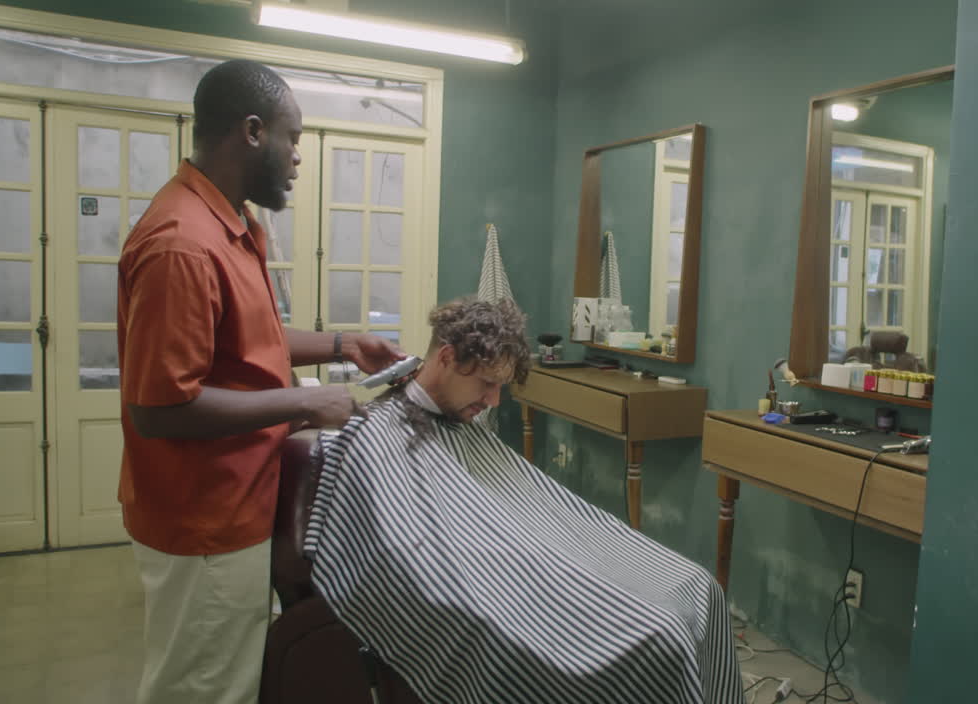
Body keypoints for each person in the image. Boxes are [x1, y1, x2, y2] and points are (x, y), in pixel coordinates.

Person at [116, 59, 403, 704]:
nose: (299, 156)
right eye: (292, 137)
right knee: (203, 691)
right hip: (203, 517)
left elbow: (249, 345)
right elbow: (160, 407)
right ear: (251, 132)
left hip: (240, 501)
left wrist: (343, 344)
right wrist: (308, 399)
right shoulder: (182, 244)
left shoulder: (234, 228)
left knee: (230, 677)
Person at [305, 298, 744, 704]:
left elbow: (542, 516)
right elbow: (399, 553)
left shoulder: (460, 423)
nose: (494, 401)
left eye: (502, 387)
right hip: (488, 586)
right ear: (446, 358)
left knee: (699, 589)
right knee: (660, 635)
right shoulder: (375, 433)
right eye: (486, 383)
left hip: (541, 560)